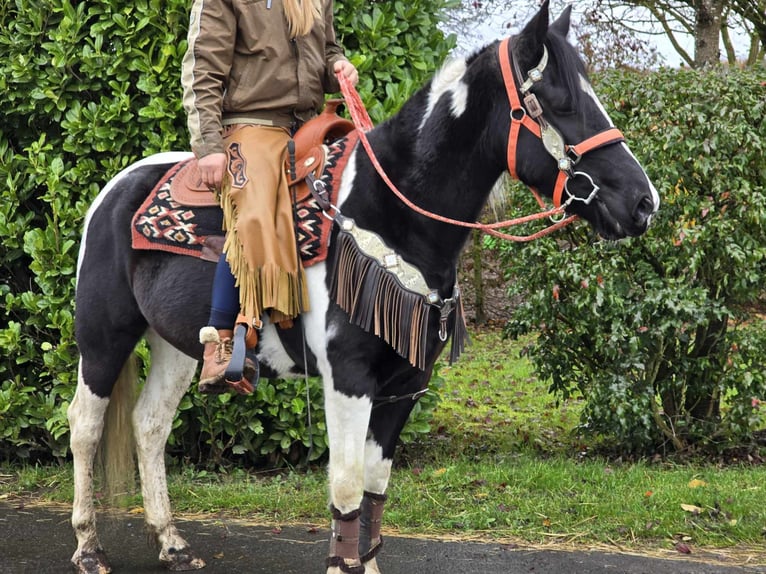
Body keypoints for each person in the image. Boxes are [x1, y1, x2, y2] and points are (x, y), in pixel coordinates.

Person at [181, 0, 358, 394]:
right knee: (256, 213)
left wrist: (338, 66)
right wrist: (209, 146)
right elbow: (203, 70)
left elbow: (327, 49)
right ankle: (222, 341)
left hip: (308, 128)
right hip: (251, 125)